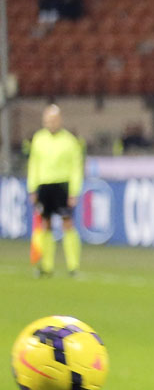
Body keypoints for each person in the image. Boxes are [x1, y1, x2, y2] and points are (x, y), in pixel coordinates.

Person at [27, 105, 86, 277]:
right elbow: (33, 165)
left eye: (53, 120)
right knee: (45, 224)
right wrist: (32, 189)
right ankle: (47, 266)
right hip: (44, 185)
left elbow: (76, 168)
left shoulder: (70, 141)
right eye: (47, 120)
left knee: (67, 223)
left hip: (62, 185)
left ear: (60, 120)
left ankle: (73, 266)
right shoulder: (38, 139)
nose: (50, 123)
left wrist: (74, 191)